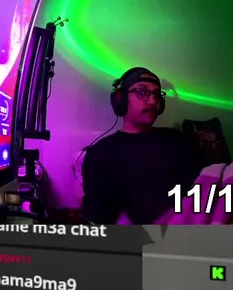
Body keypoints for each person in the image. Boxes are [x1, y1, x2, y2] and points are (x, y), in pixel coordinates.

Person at [81, 68, 206, 225]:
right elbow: (99, 219)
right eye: (142, 92)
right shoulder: (100, 154)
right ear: (121, 99)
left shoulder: (178, 139)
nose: (153, 101)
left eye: (156, 94)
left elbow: (205, 186)